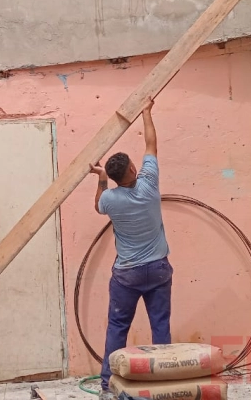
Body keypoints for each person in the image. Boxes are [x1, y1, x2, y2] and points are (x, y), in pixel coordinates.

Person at [91, 97, 172, 400]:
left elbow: (98, 205)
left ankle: (106, 386)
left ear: (114, 179)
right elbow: (151, 143)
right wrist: (147, 112)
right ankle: (165, 382)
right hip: (159, 269)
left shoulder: (110, 199)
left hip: (127, 274)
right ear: (134, 170)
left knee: (118, 326)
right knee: (160, 325)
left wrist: (100, 179)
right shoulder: (149, 184)